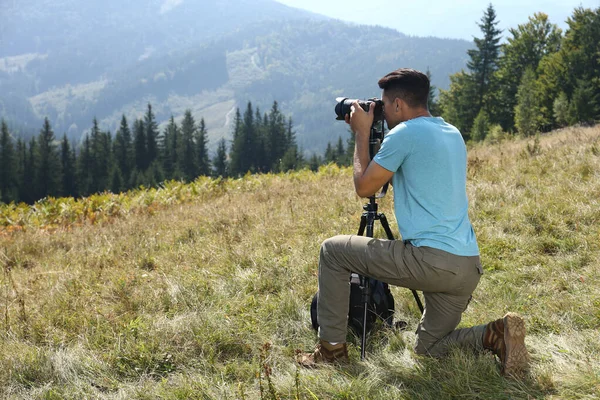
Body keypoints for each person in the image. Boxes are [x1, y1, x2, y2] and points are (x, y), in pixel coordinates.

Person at [298, 68, 530, 376]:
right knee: (429, 351)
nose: (382, 113)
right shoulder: (450, 132)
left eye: (383, 106)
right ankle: (495, 334)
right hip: (466, 266)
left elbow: (365, 188)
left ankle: (331, 352)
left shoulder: (404, 134)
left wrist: (361, 133)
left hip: (431, 262)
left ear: (397, 105)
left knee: (333, 251)